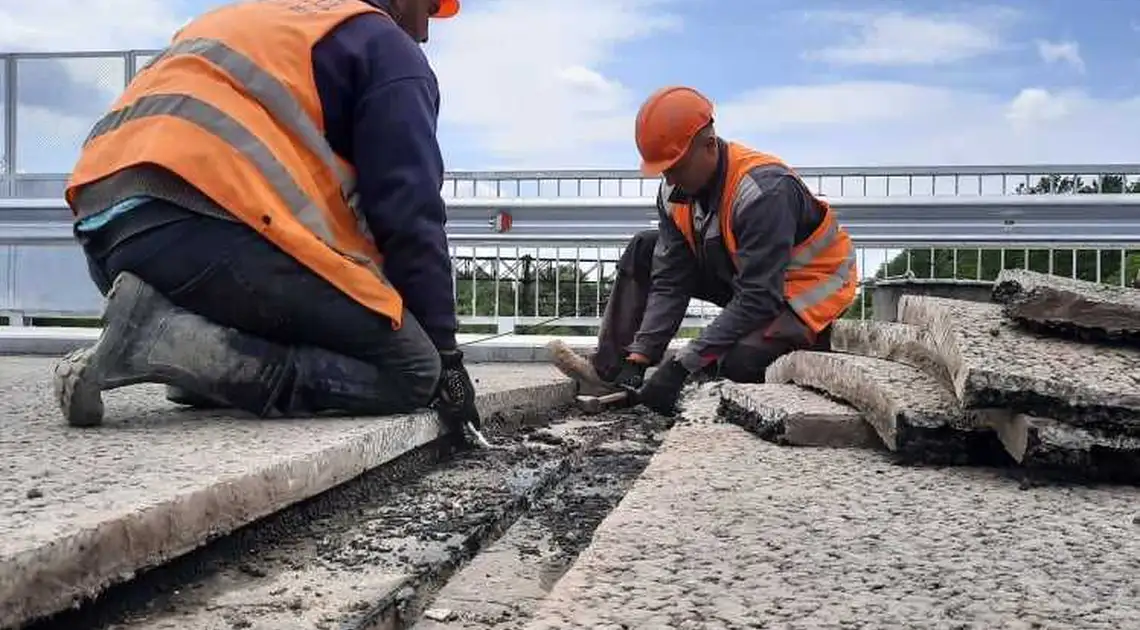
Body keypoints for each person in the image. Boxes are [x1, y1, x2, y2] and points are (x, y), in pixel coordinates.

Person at [55, 0, 482, 439]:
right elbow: (409, 210)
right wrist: (446, 359)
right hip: (198, 224)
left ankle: (195, 357)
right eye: (430, 7)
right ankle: (180, 350)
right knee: (412, 369)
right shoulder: (386, 46)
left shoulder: (251, 22)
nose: (426, 30)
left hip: (104, 236)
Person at [548, 86, 858, 415]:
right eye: (664, 169)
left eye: (676, 166)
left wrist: (681, 366)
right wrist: (641, 356)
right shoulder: (674, 191)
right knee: (645, 248)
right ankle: (609, 375)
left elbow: (758, 297)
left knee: (738, 362)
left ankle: (709, 388)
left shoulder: (764, 192)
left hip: (806, 291)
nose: (669, 177)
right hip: (746, 277)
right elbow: (670, 279)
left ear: (709, 145)